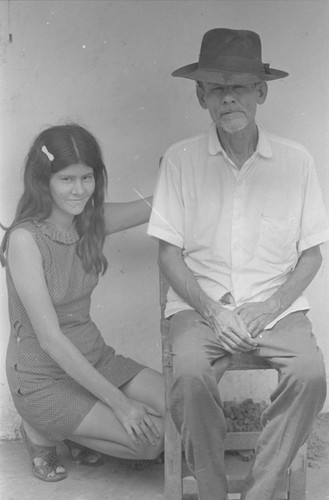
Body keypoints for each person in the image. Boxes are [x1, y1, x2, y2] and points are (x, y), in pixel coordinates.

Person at [147, 28, 329, 500]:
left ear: (261, 92)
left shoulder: (296, 161)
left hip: (276, 308)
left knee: (310, 376)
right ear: (200, 96)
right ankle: (210, 492)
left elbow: (312, 254)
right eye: (217, 88)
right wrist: (212, 311)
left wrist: (268, 308)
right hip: (201, 306)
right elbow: (169, 252)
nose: (229, 98)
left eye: (241, 87)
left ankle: (259, 492)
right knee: (188, 375)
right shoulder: (181, 160)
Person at [0, 123, 164, 482]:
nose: (79, 190)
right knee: (151, 443)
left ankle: (86, 424)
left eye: (86, 178)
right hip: (43, 376)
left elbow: (156, 206)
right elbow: (50, 339)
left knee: (181, 408)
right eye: (66, 179)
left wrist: (185, 174)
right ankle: (42, 430)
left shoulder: (90, 220)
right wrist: (121, 406)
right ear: (43, 180)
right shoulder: (25, 239)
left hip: (93, 359)